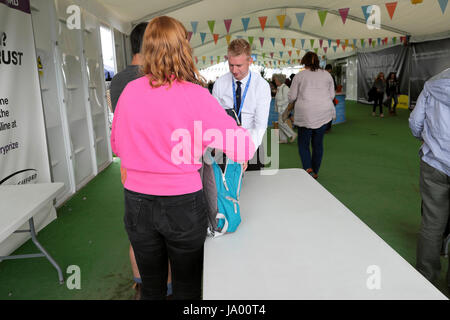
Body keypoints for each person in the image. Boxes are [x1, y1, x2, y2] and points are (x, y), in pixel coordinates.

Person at [111, 16, 255, 300]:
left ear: (146, 50)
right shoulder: (196, 96)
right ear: (184, 50)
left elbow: (117, 146)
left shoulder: (128, 92)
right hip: (183, 204)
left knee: (151, 288)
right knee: (187, 288)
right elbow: (243, 148)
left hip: (137, 202)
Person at [109, 22, 153, 300]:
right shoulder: (149, 80)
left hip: (129, 167)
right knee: (161, 232)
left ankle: (139, 284)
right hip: (154, 166)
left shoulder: (117, 80)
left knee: (137, 230)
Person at [409, 68, 450, 292]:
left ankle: (425, 279)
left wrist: (428, 140)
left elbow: (416, 122)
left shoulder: (433, 83)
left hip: (434, 162)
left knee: (431, 224)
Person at [212, 39, 271, 171]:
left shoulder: (261, 86)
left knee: (254, 186)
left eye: (239, 65)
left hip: (252, 143)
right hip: (225, 145)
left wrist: (245, 153)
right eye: (231, 65)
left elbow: (260, 125)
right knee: (223, 187)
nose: (234, 70)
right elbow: (215, 119)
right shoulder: (220, 84)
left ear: (250, 61)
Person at [287, 52, 335, 179]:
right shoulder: (327, 75)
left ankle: (308, 168)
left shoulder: (299, 76)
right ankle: (315, 170)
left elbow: (292, 97)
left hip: (306, 113)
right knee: (318, 144)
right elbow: (332, 95)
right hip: (324, 112)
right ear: (318, 61)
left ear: (304, 61)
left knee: (303, 143)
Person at [272, 73, 297, 143]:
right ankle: (283, 139)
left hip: (284, 109)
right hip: (281, 109)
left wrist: (279, 104)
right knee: (280, 123)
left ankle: (292, 134)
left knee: (281, 122)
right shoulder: (280, 88)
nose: (275, 81)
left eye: (276, 80)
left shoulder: (285, 88)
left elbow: (288, 99)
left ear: (279, 80)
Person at [324, 64, 337, 133]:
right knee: (330, 112)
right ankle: (328, 128)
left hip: (322, 97)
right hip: (329, 97)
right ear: (330, 69)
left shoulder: (321, 75)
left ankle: (324, 128)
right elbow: (335, 87)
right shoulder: (331, 76)